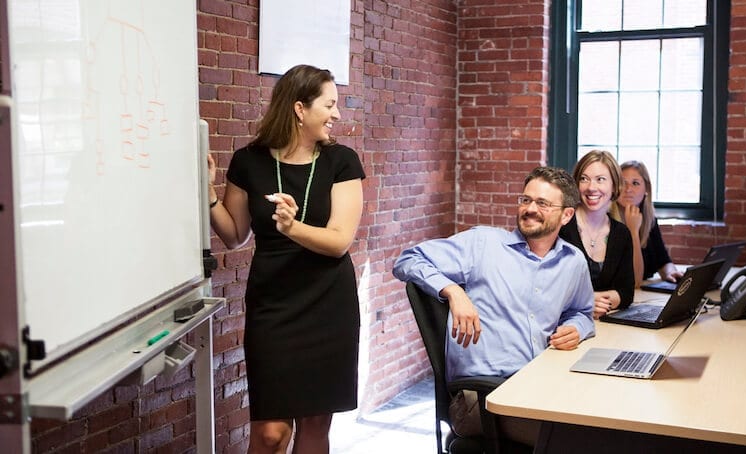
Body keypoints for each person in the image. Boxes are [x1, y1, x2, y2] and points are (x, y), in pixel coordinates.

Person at [207, 64, 365, 454]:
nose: (337, 114)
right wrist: (206, 193)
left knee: (314, 425)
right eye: (329, 104)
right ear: (299, 108)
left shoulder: (341, 162)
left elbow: (339, 241)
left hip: (327, 305)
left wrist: (292, 227)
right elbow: (233, 234)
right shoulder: (249, 161)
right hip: (273, 307)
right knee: (270, 433)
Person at [393, 166, 595, 447]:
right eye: (526, 200)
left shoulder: (572, 261)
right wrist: (452, 291)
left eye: (542, 203)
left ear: (567, 215)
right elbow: (407, 260)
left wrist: (576, 327)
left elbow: (583, 312)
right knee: (578, 441)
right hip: (483, 399)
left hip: (540, 385)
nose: (530, 209)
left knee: (607, 424)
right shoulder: (484, 244)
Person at [559, 150, 635, 319]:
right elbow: (544, 285)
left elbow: (626, 292)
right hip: (562, 324)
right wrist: (586, 301)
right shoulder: (561, 226)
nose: (591, 187)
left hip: (603, 326)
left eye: (600, 179)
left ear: (614, 185)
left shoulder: (621, 234)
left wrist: (599, 302)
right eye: (584, 179)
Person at [616, 160, 683, 288]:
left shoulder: (649, 219)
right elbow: (631, 279)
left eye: (635, 183)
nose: (628, 189)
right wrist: (633, 231)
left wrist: (671, 272)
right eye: (623, 183)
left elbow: (663, 260)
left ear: (646, 189)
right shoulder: (606, 220)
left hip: (644, 294)